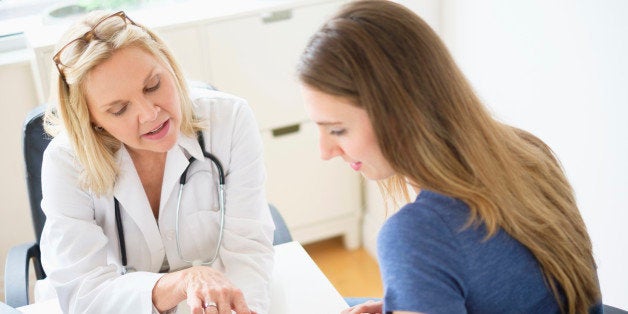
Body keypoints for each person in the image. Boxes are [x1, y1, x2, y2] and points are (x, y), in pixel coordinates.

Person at [297, 1, 602, 313]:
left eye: (337, 130)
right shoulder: (527, 150)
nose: (325, 152)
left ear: (397, 115)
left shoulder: (418, 234)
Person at [38, 10, 274, 314]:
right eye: (119, 109)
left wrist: (244, 309)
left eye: (153, 86)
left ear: (168, 64)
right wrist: (182, 282)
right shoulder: (65, 162)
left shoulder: (229, 120)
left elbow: (247, 252)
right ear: (92, 119)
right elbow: (84, 294)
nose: (150, 114)